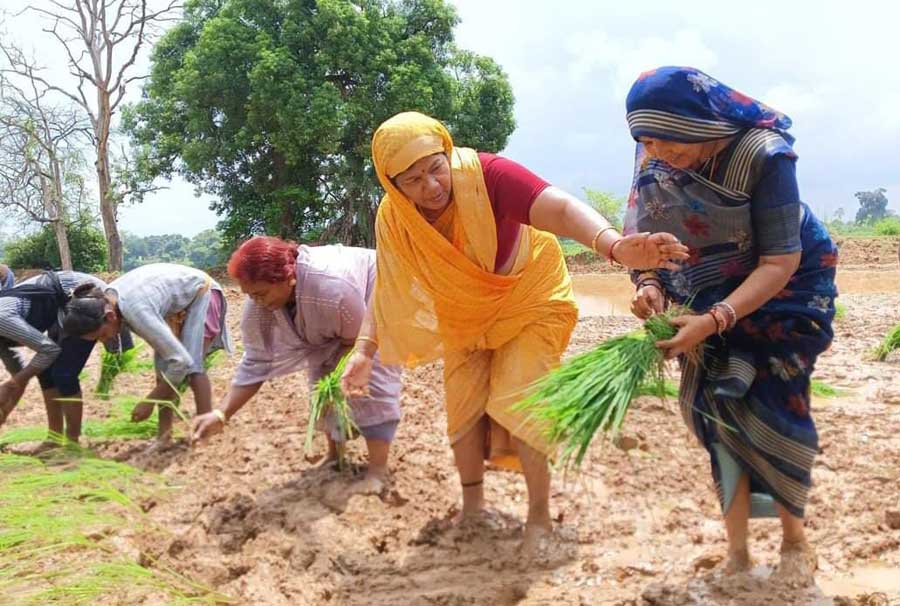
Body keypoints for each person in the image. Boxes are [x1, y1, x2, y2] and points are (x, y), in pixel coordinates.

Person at [341, 111, 688, 552]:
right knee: (462, 408)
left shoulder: (487, 176)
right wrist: (364, 350)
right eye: (412, 180)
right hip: (465, 313)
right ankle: (472, 511)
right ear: (393, 185)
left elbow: (558, 207)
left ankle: (540, 518)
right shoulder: (395, 220)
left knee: (522, 398)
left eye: (435, 168)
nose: (430, 186)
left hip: (529, 298)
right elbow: (388, 286)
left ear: (447, 153)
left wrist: (613, 245)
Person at [623, 66, 838, 584]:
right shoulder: (654, 153)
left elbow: (779, 261)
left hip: (782, 297)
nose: (654, 152)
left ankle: (795, 544)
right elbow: (645, 233)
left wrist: (716, 319)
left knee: (777, 413)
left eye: (663, 137)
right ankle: (737, 553)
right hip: (699, 295)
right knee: (715, 416)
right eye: (644, 140)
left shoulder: (764, 155)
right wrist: (650, 283)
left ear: (695, 120)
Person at [191, 236, 402, 493]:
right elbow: (255, 363)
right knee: (322, 380)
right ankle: (335, 456)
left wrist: (343, 372)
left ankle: (377, 471)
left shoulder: (331, 288)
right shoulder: (259, 306)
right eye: (250, 295)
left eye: (261, 293)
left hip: (375, 294)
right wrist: (222, 413)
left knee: (370, 380)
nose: (256, 301)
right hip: (341, 315)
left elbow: (359, 339)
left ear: (288, 277)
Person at [62, 264, 231, 443]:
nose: (105, 340)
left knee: (194, 368)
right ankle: (164, 437)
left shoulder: (135, 310)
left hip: (202, 293)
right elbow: (169, 362)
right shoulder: (110, 299)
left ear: (110, 317)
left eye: (102, 335)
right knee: (165, 371)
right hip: (177, 305)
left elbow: (182, 362)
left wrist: (148, 403)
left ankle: (206, 432)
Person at [0, 270, 131, 443]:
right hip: (60, 307)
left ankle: (71, 442)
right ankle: (54, 439)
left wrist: (11, 384)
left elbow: (48, 350)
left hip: (88, 303)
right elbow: (18, 378)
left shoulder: (3, 319)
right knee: (45, 372)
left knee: (64, 374)